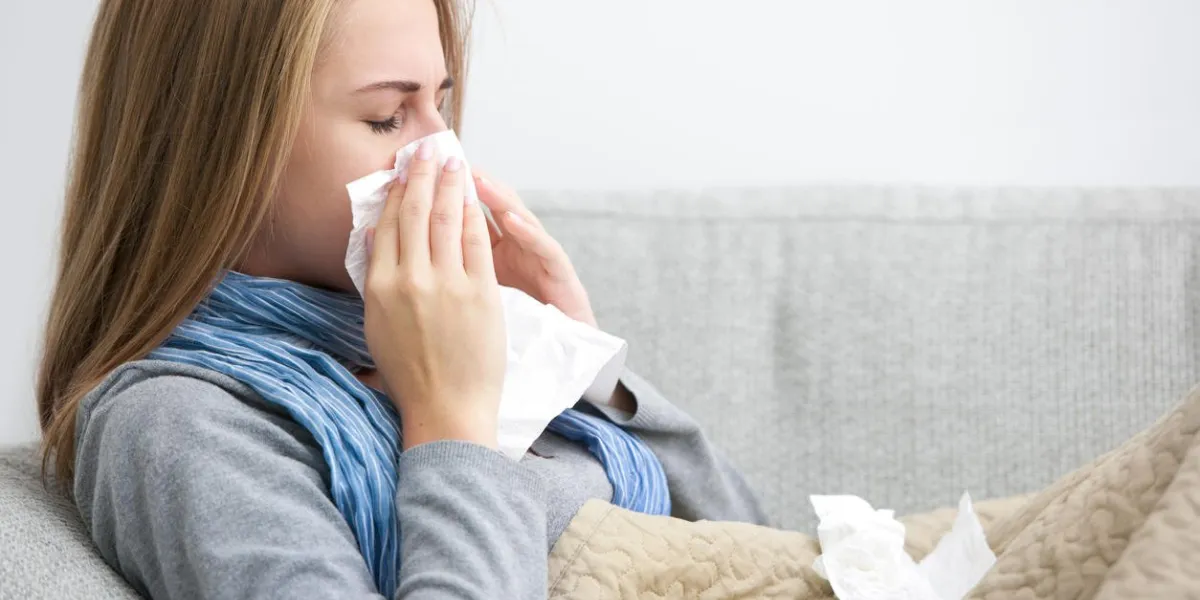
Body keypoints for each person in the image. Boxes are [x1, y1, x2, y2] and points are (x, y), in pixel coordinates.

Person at [34, 0, 767, 598]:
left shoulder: (434, 341)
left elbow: (753, 553)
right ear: (223, 149)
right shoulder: (180, 425)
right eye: (388, 116)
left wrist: (580, 360)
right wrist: (450, 420)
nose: (442, 155)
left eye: (440, 106)